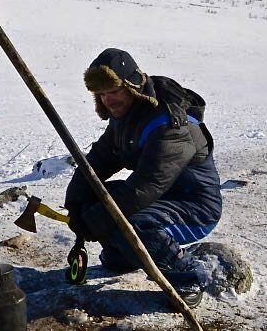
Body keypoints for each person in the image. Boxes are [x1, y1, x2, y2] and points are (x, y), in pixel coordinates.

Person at [64, 48, 222, 308]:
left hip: (195, 207)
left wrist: (103, 218)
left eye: (114, 91)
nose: (108, 100)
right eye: (102, 94)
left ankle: (186, 275)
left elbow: (148, 184)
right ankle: (126, 253)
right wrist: (77, 203)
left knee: (129, 219)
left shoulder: (170, 124)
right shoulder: (126, 117)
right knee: (99, 200)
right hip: (163, 197)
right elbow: (99, 160)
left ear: (132, 87)